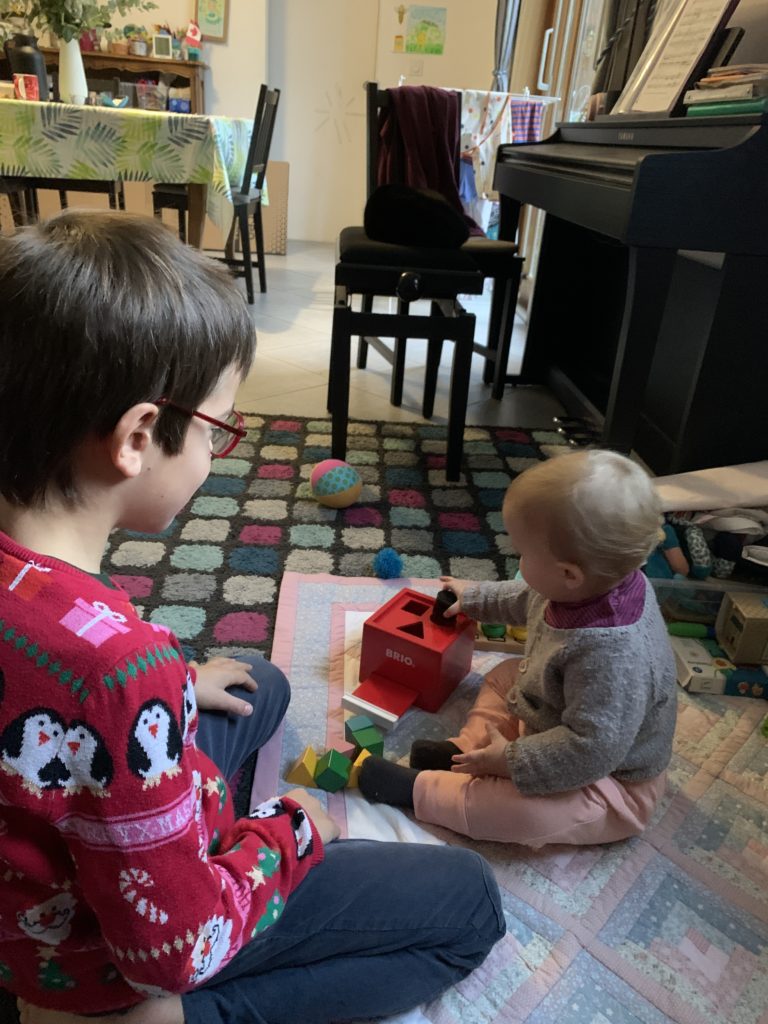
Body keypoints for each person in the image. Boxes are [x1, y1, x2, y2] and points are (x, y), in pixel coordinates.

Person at [0, 212, 504, 1024]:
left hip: (50, 859)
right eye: (219, 428)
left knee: (258, 686)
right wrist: (291, 832)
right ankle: (179, 1019)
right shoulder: (119, 671)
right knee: (470, 901)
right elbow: (176, 946)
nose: (216, 451)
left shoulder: (79, 632)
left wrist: (178, 685)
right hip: (100, 956)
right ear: (137, 436)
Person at [359, 449, 677, 848]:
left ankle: (421, 790)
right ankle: (465, 750)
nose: (519, 560)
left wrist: (511, 763)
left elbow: (590, 751)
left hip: (608, 779)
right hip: (557, 715)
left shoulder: (614, 656)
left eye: (524, 554)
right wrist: (474, 597)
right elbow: (529, 596)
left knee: (527, 815)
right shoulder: (588, 582)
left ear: (569, 574)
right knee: (504, 675)